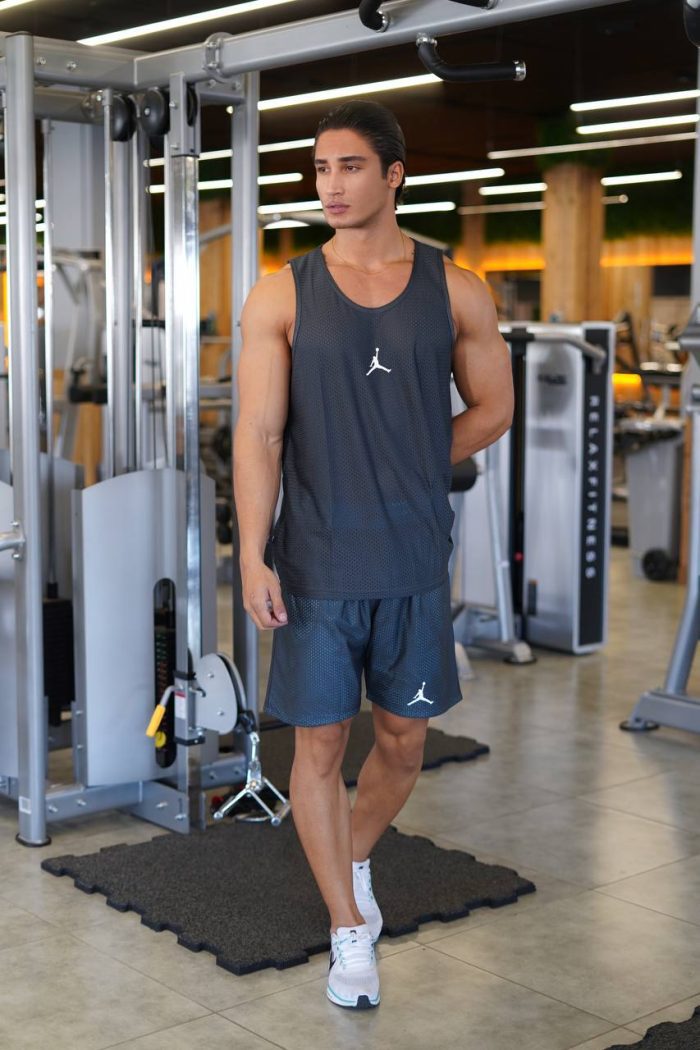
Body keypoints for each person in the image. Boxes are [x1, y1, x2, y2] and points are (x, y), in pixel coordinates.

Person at [234, 99, 513, 1011]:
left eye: (350, 166)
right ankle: (348, 930)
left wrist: (415, 459)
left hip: (412, 557)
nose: (332, 184)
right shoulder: (282, 294)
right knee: (318, 742)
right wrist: (252, 555)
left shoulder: (457, 288)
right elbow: (259, 435)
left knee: (402, 741)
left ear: (394, 175)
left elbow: (494, 406)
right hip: (315, 559)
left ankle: (351, 860)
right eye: (321, 168)